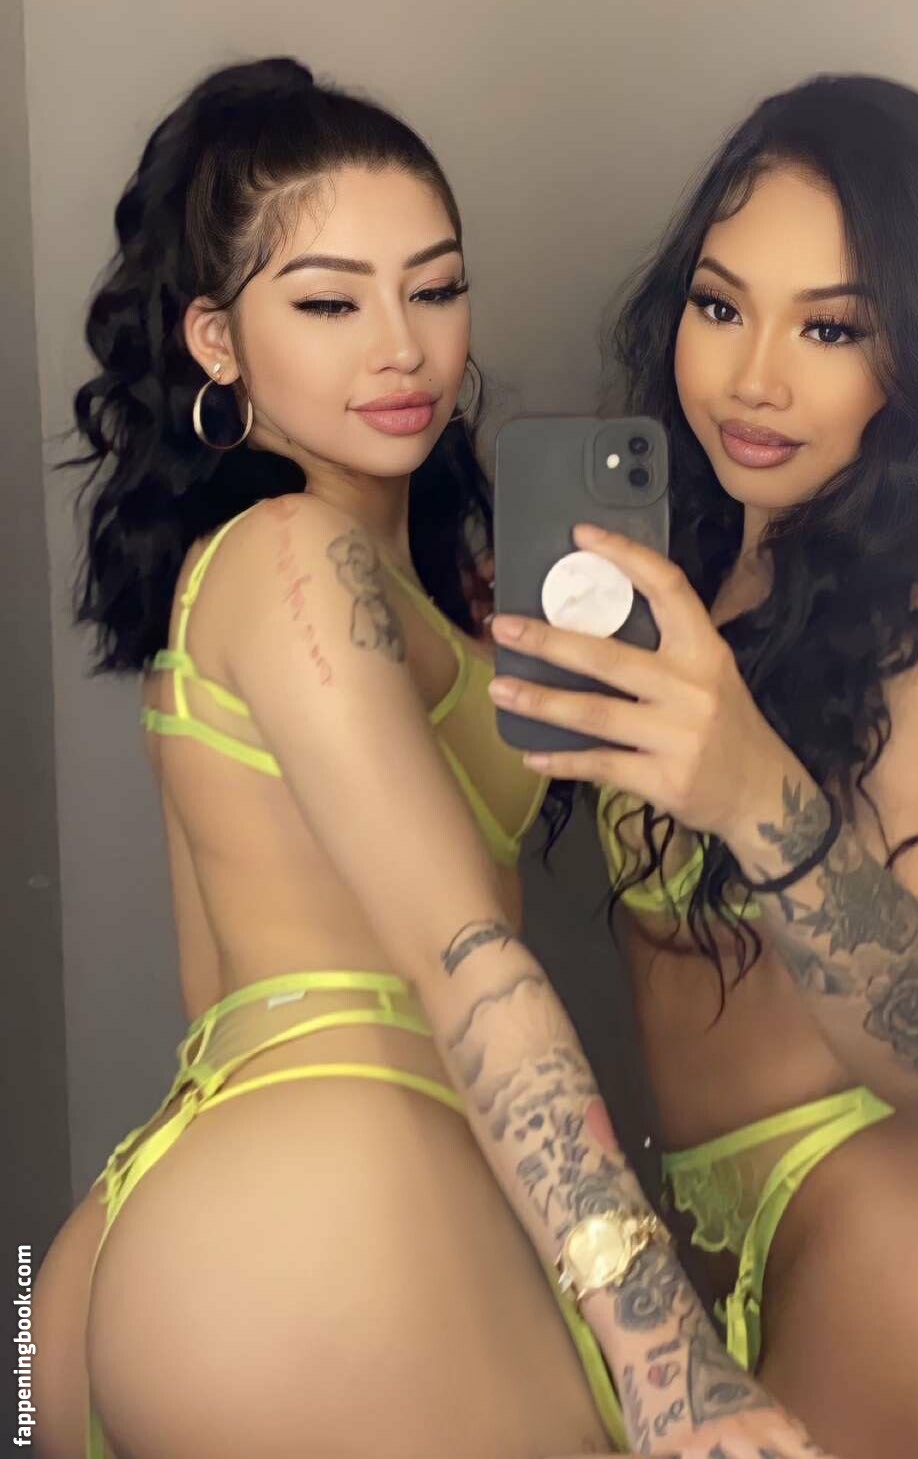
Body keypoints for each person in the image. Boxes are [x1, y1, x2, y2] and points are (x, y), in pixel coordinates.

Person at [32, 57, 831, 1459]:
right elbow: (467, 959)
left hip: (217, 1222)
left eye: (437, 288)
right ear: (216, 340)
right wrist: (666, 1359)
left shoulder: (396, 582)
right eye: (328, 303)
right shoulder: (297, 554)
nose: (399, 347)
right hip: (326, 1218)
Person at [486, 74, 918, 1459]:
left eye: (830, 328)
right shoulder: (685, 590)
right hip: (730, 1249)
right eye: (719, 306)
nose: (754, 377)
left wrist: (753, 789)